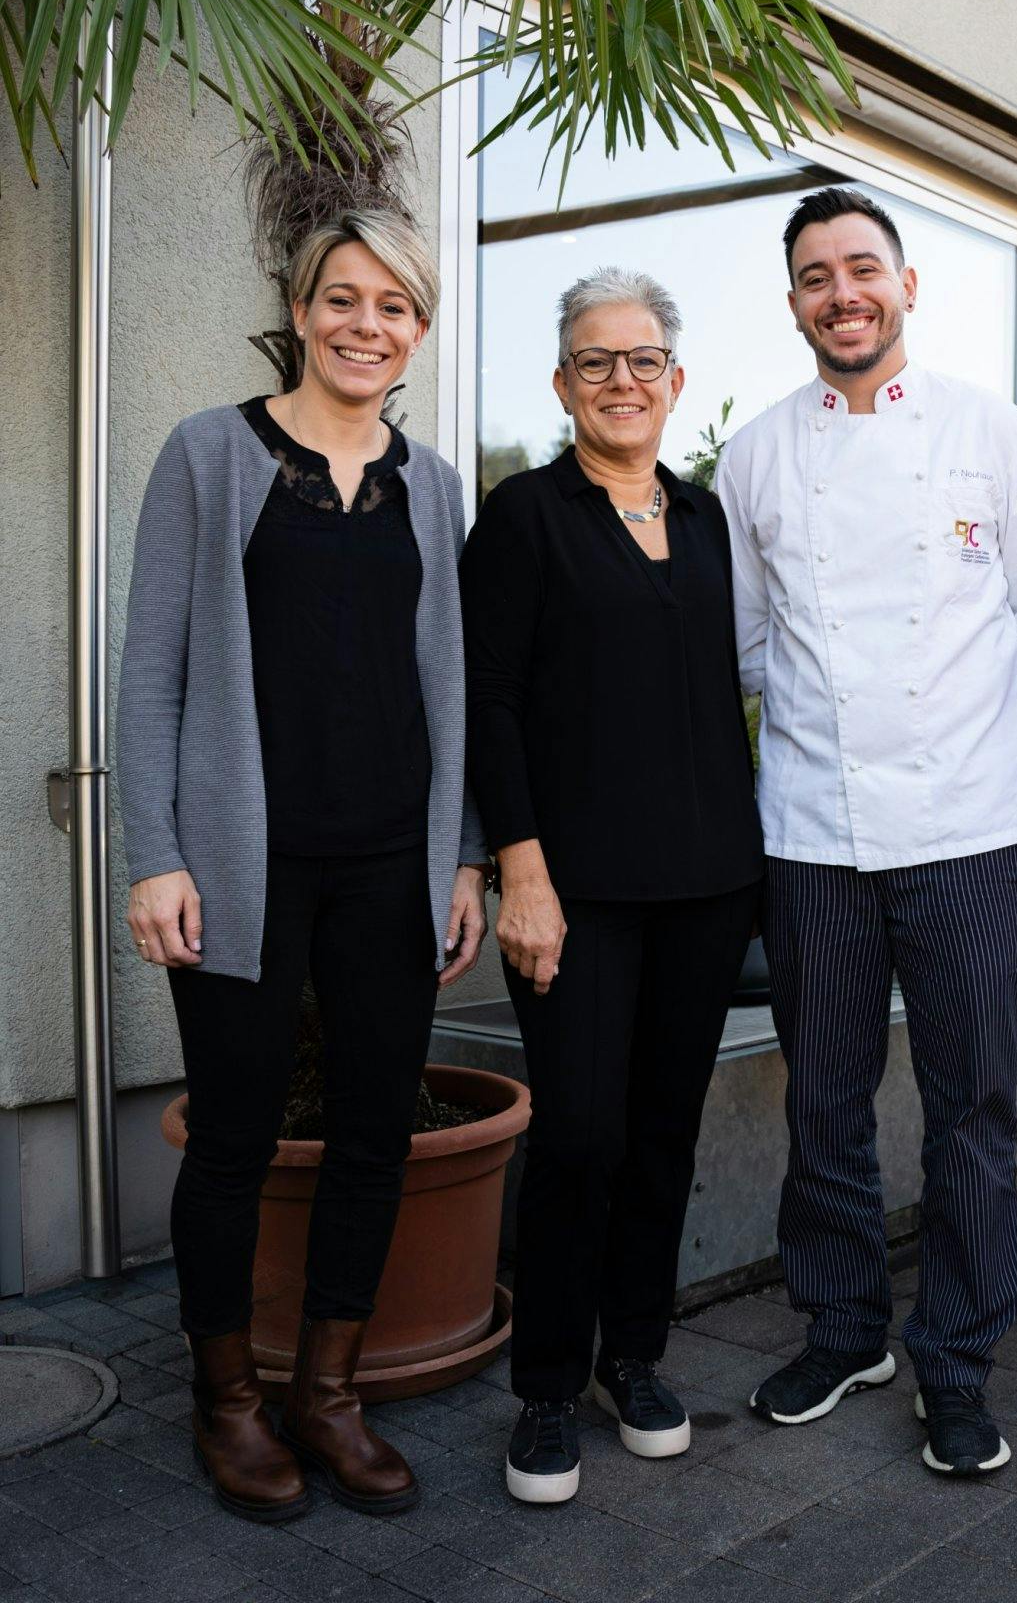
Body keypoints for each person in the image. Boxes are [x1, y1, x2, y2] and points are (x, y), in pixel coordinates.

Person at [117, 209, 488, 1524]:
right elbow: (151, 665)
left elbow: (447, 676)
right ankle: (225, 1398)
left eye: (393, 307)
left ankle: (327, 1388)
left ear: (418, 332)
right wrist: (153, 853)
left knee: (375, 1131)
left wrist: (459, 857)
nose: (364, 325)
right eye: (342, 298)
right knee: (231, 1138)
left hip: (391, 864)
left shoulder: (434, 485)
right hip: (238, 867)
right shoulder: (209, 456)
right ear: (301, 307)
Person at [716, 186, 1017, 1478]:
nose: (840, 294)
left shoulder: (994, 435)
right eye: (815, 277)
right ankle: (844, 1327)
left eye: (861, 268)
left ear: (907, 285)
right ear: (794, 302)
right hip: (811, 828)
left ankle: (957, 1362)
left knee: (970, 1105)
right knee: (824, 1099)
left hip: (968, 828)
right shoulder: (752, 454)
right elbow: (749, 644)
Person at [461, 268, 764, 1506]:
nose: (622, 381)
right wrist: (518, 869)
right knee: (579, 1131)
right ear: (562, 384)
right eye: (596, 362)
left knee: (661, 1132)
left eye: (643, 361)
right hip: (573, 890)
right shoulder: (524, 516)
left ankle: (630, 1358)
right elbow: (489, 703)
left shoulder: (702, 521)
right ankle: (544, 1384)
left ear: (675, 381)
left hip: (705, 885)